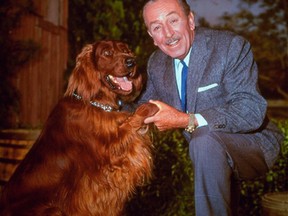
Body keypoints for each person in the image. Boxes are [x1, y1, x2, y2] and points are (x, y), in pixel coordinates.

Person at [134, 0, 284, 215]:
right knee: (204, 143)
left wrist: (187, 120)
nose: (168, 33)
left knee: (204, 139)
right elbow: (144, 106)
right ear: (152, 37)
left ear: (191, 20)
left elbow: (251, 110)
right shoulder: (156, 63)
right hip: (207, 153)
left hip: (254, 144)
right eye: (157, 27)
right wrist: (111, 101)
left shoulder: (230, 47)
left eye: (173, 21)